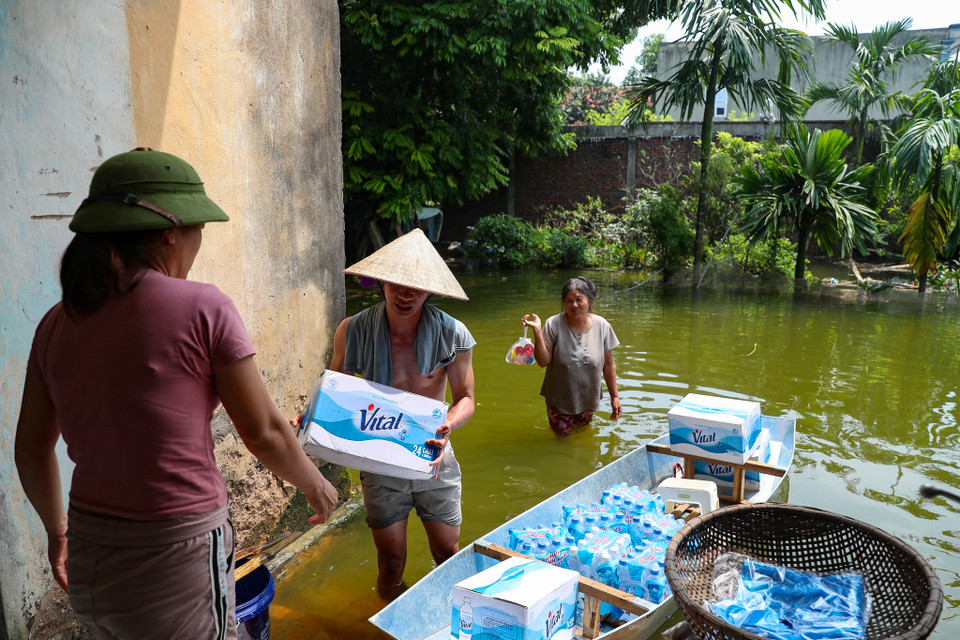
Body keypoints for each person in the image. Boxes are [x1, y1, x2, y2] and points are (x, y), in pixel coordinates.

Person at [14, 148, 339, 640]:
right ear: (172, 232)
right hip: (172, 555)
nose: (197, 245)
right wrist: (315, 483)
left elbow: (31, 449)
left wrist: (57, 531)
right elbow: (264, 432)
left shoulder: (55, 322)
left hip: (88, 554)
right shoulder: (204, 307)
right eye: (198, 231)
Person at [331, 228, 476, 600]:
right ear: (381, 282)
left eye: (416, 286)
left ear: (431, 290)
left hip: (433, 451)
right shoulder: (352, 330)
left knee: (447, 552)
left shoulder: (453, 333)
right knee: (391, 561)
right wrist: (311, 418)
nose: (405, 294)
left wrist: (449, 425)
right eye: (397, 283)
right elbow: (336, 392)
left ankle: (449, 619)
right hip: (380, 455)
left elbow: (466, 398)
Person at [522, 276, 622, 436]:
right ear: (563, 303)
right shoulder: (553, 324)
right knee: (564, 442)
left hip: (587, 399)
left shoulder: (602, 326)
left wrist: (614, 397)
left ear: (589, 301)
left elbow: (608, 364)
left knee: (582, 435)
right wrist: (537, 332)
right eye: (569, 300)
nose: (574, 305)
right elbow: (543, 361)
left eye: (579, 299)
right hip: (559, 401)